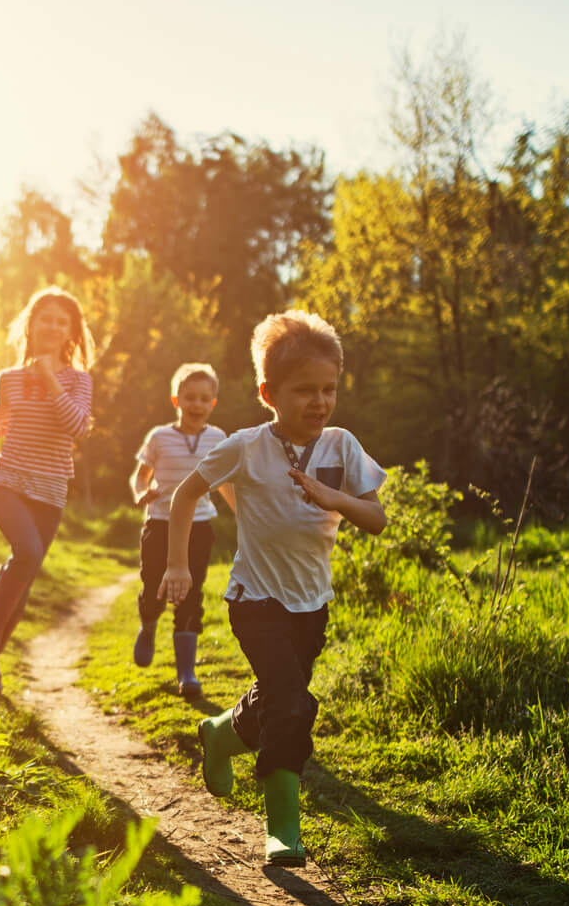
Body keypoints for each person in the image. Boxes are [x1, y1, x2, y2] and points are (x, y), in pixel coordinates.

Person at [156, 310, 386, 865]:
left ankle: (220, 733)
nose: (319, 401)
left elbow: (376, 518)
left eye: (328, 388)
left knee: (279, 702)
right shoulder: (245, 446)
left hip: (313, 605)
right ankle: (283, 827)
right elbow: (186, 495)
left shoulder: (342, 446)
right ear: (268, 392)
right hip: (255, 599)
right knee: (293, 705)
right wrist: (178, 566)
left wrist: (337, 501)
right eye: (304, 389)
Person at [0, 286, 96, 695]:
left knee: (24, 575)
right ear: (30, 324)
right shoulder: (9, 379)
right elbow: (2, 425)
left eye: (61, 321)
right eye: (45, 318)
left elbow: (77, 428)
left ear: (71, 332)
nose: (52, 326)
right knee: (28, 553)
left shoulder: (78, 380)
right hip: (7, 480)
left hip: (50, 490)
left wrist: (51, 379)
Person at [128, 362, 230, 699]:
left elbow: (228, 481)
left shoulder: (219, 438)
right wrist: (141, 493)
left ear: (213, 403)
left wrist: (248, 514)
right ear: (176, 400)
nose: (197, 404)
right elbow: (141, 475)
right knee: (154, 585)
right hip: (159, 522)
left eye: (204, 399)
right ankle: (148, 623)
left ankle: (186, 672)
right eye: (190, 398)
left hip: (200, 526)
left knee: (190, 593)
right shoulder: (159, 437)